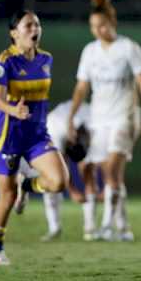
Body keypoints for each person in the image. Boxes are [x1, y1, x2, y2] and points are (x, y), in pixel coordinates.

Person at [68, 0, 141, 242]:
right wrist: (71, 117)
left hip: (124, 116)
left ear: (112, 22)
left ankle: (106, 226)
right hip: (99, 118)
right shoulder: (90, 52)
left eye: (102, 25)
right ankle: (123, 226)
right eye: (93, 26)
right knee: (108, 174)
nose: (98, 30)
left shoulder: (128, 48)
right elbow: (81, 87)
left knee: (112, 169)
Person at [0, 10, 69, 266]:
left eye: (37, 24)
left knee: (58, 182)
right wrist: (15, 110)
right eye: (28, 25)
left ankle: (27, 186)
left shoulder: (46, 59)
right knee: (7, 198)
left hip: (36, 135)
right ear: (14, 33)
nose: (35, 29)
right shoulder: (5, 61)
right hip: (8, 137)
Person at [40, 99, 92, 241]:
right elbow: (59, 169)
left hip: (81, 117)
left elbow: (87, 166)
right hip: (56, 124)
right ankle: (54, 227)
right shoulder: (54, 130)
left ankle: (90, 227)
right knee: (53, 181)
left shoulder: (94, 126)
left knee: (88, 173)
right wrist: (73, 191)